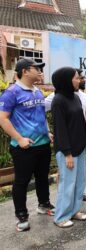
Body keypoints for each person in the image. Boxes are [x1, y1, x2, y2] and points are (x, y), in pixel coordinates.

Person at [0, 58, 55, 232]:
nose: (40, 72)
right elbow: (3, 118)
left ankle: (44, 204)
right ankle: (21, 215)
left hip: (43, 144)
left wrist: (47, 132)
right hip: (24, 147)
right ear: (24, 71)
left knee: (42, 177)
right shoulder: (11, 92)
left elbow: (41, 115)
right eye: (36, 68)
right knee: (22, 182)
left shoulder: (37, 91)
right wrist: (20, 138)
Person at [45, 68, 86, 202]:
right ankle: (62, 216)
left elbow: (82, 122)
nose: (80, 80)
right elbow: (61, 129)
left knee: (80, 181)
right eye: (76, 78)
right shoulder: (58, 100)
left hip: (80, 145)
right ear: (66, 81)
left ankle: (74, 210)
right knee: (68, 183)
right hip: (68, 148)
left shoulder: (76, 97)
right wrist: (67, 153)